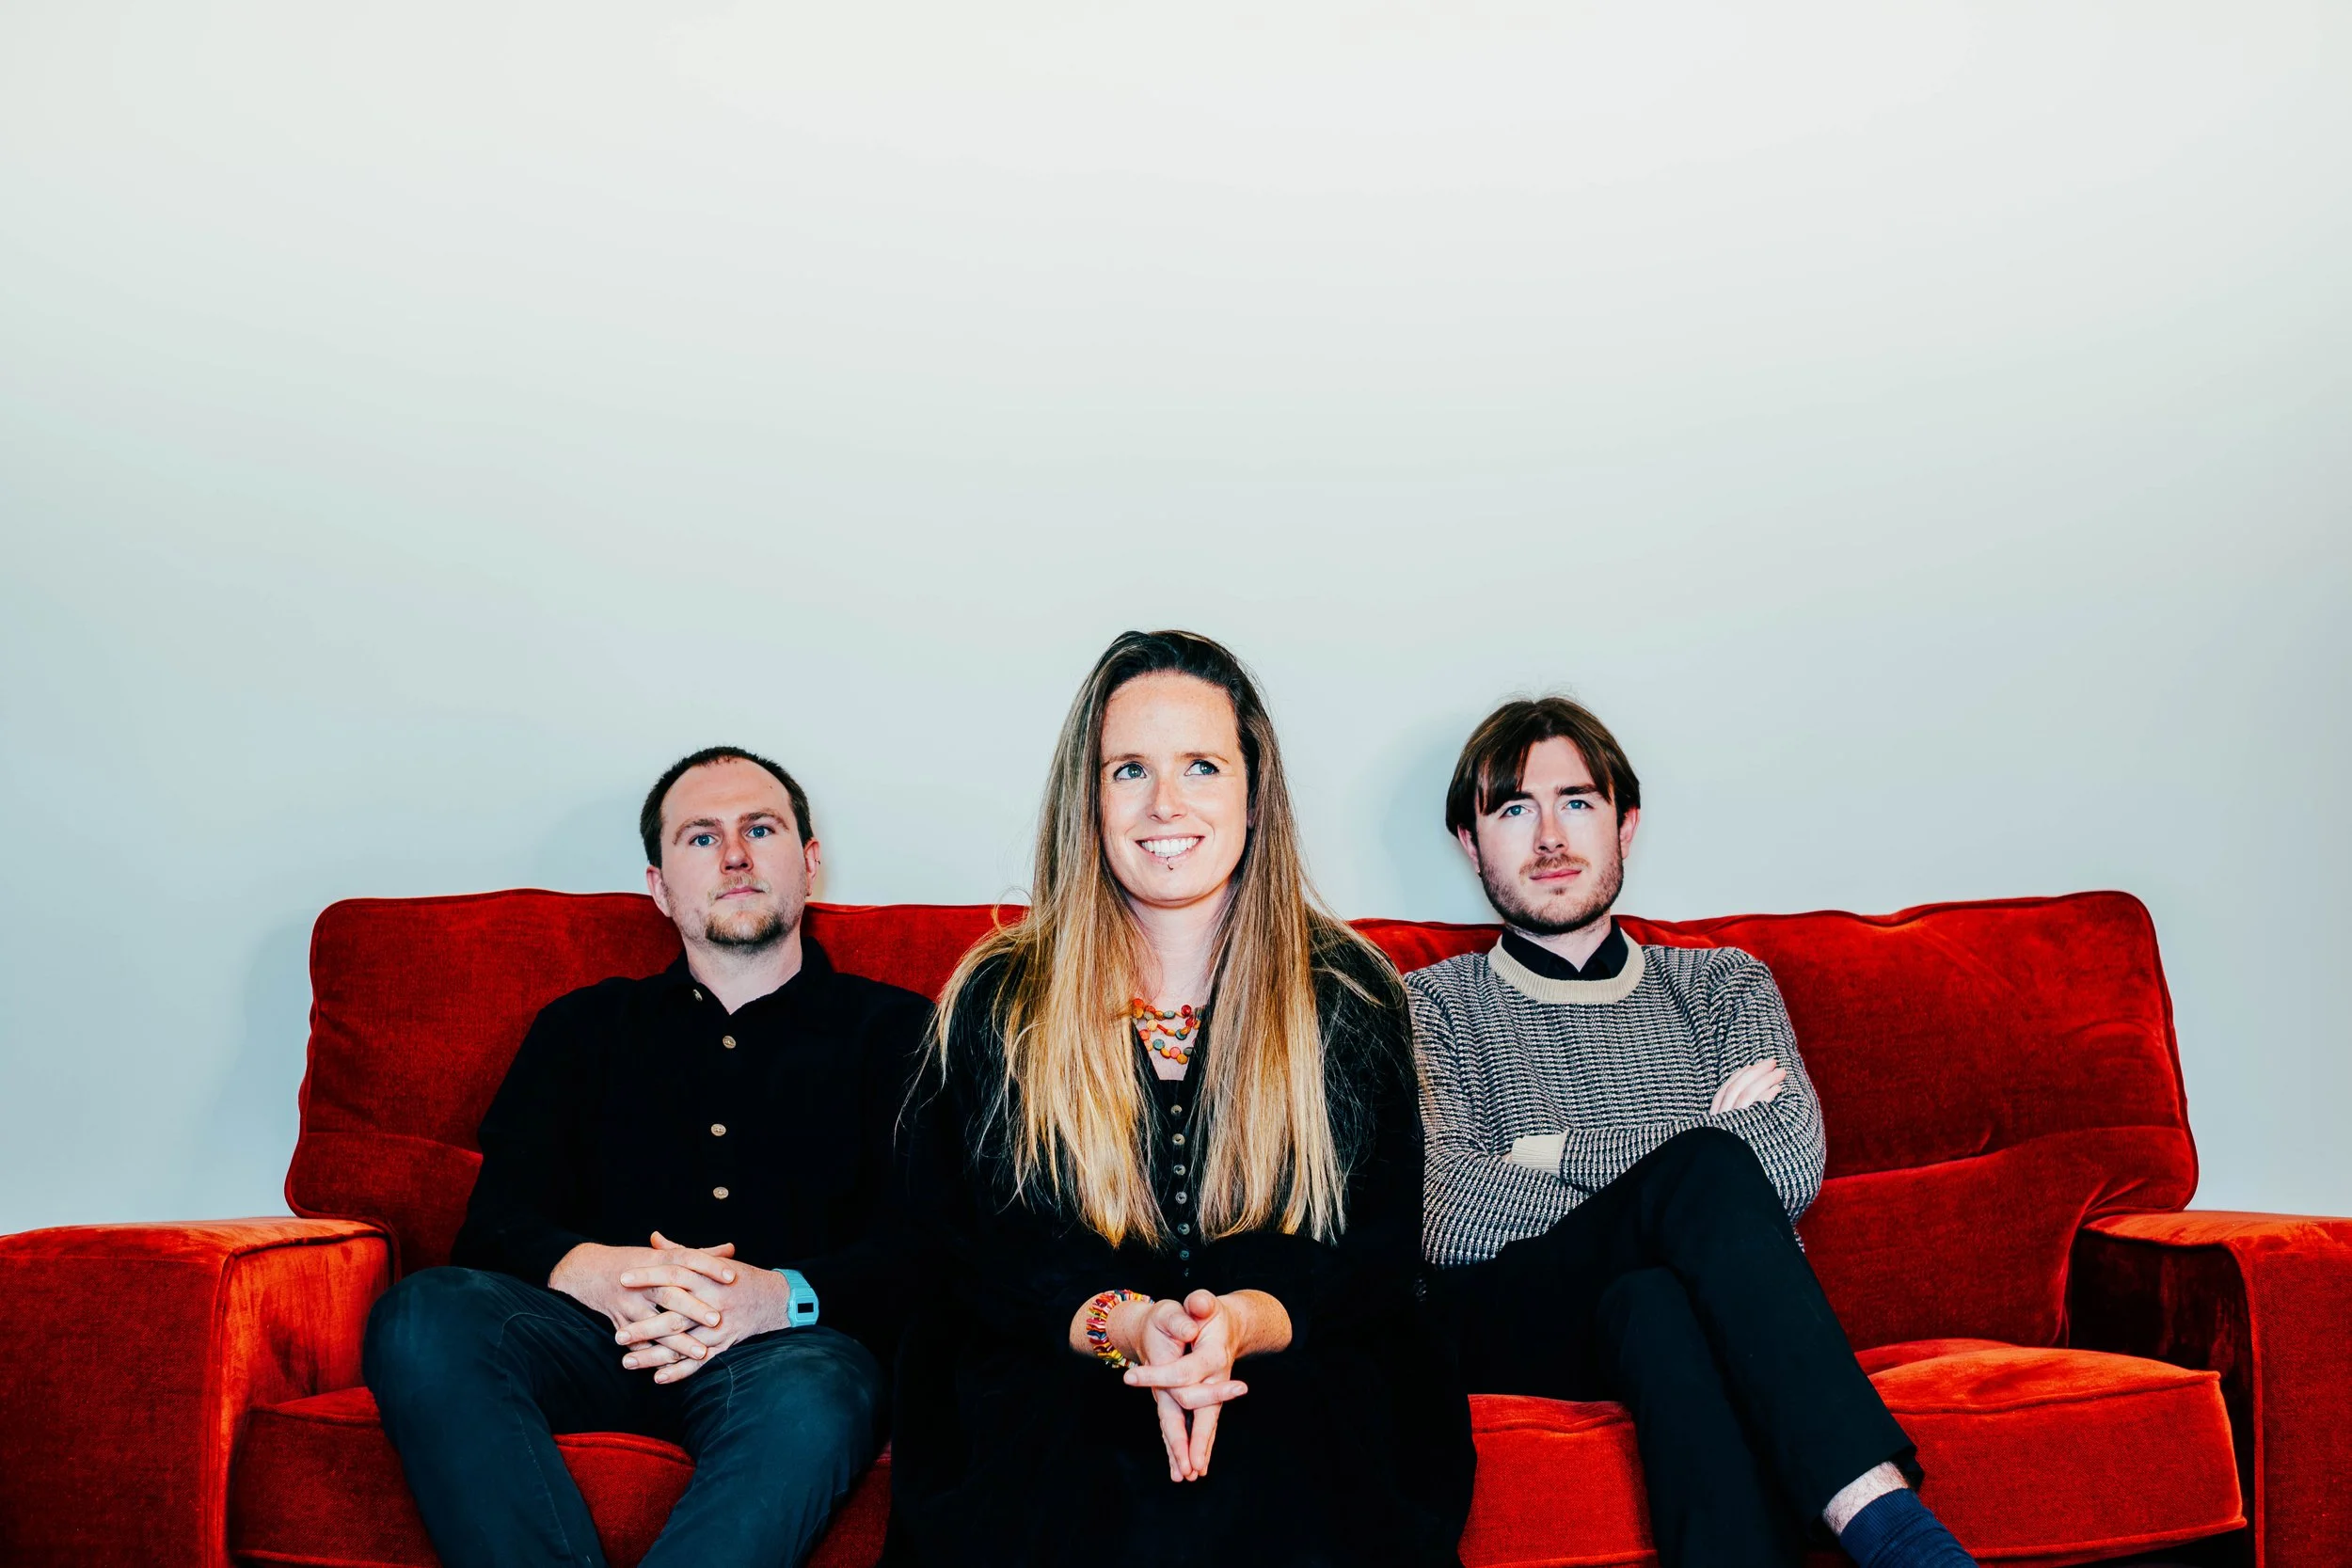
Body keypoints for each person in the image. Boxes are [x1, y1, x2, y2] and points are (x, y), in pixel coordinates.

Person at [887, 630, 1474, 1568]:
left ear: (1254, 791)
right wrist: (1132, 1328)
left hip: (1294, 1349)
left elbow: (1370, 1251)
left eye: (1200, 764)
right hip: (1061, 1354)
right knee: (1090, 1438)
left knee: (1273, 1431)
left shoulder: (1350, 991)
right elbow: (980, 1246)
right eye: (1129, 769)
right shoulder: (998, 992)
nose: (1164, 802)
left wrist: (1232, 1325)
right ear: (1088, 797)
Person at [1411, 697, 1977, 1568]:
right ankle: (1900, 1539)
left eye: (1578, 801)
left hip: (1661, 1314)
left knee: (1659, 1299)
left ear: (1626, 825)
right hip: (1519, 1322)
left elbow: (1789, 1160)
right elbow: (1445, 1205)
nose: (1550, 835)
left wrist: (1541, 1152)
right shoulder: (1432, 1005)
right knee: (1711, 1168)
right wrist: (1698, 1134)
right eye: (1515, 808)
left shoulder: (1722, 985)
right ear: (1470, 841)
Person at [363, 746, 930, 1568]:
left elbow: (929, 1244)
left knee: (825, 1391)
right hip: (591, 1340)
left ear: (809, 863)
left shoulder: (905, 1035)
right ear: (659, 887)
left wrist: (774, 1296)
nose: (733, 854)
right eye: (700, 837)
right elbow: (492, 1225)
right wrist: (600, 1273)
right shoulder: (582, 1028)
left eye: (759, 828)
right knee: (422, 1312)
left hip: (789, 1356)